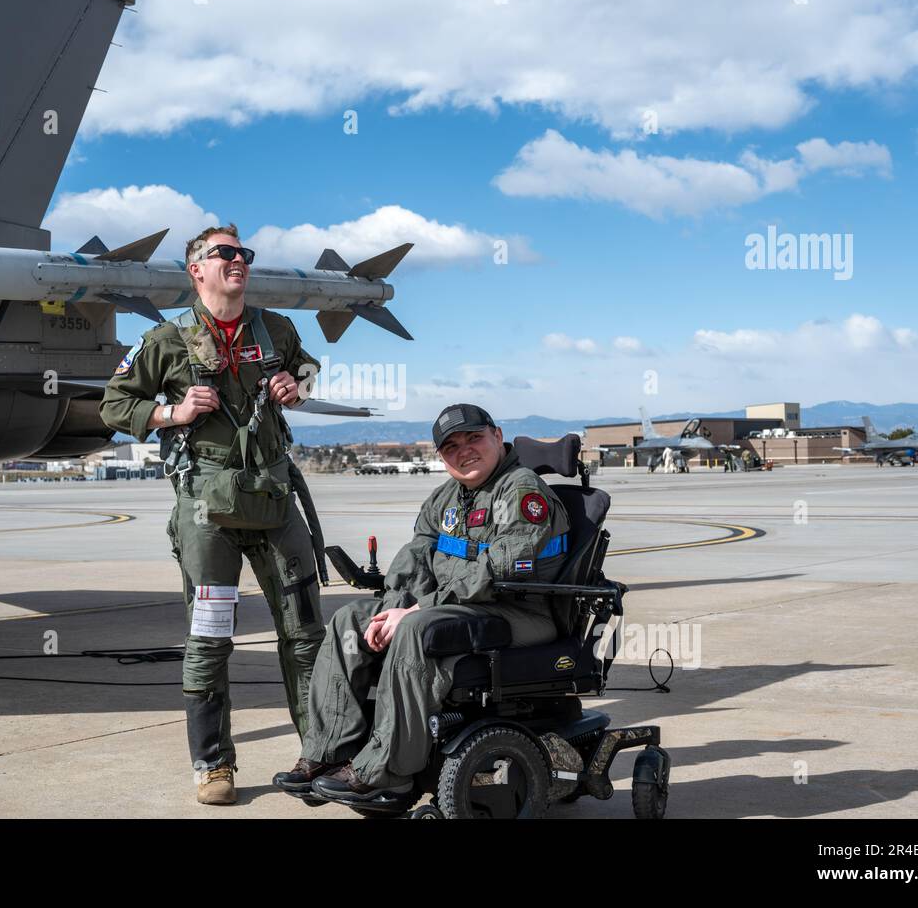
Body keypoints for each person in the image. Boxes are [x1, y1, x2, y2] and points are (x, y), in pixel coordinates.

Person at [100, 224, 325, 805]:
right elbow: (114, 403)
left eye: (243, 253)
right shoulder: (166, 339)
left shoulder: (276, 329)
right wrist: (172, 412)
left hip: (274, 501)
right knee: (211, 638)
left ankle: (322, 751)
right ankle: (213, 767)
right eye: (224, 253)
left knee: (305, 635)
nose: (238, 261)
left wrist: (294, 385)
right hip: (208, 509)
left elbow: (309, 371)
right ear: (195, 269)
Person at [273, 404, 571, 803]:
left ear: (498, 436)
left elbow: (499, 570)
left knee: (416, 629)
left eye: (474, 438)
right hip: (460, 609)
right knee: (349, 621)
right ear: (441, 456)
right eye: (451, 446)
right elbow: (416, 557)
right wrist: (388, 610)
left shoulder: (520, 490)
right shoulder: (448, 496)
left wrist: (415, 611)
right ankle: (328, 752)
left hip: (520, 612)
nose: (464, 451)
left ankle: (388, 772)